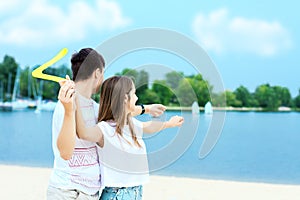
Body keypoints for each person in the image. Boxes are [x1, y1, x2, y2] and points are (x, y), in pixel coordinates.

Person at [47, 48, 166, 200]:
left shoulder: (94, 107)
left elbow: (119, 111)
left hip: (90, 193)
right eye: (103, 73)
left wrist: (147, 108)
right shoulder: (65, 106)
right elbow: (65, 153)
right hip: (68, 192)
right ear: (97, 73)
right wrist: (70, 109)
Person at [75, 76, 184, 200]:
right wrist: (76, 102)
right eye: (134, 93)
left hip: (136, 193)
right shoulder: (104, 129)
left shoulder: (130, 124)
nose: (137, 98)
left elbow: (148, 126)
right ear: (125, 98)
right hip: (116, 195)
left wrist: (169, 124)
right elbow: (83, 133)